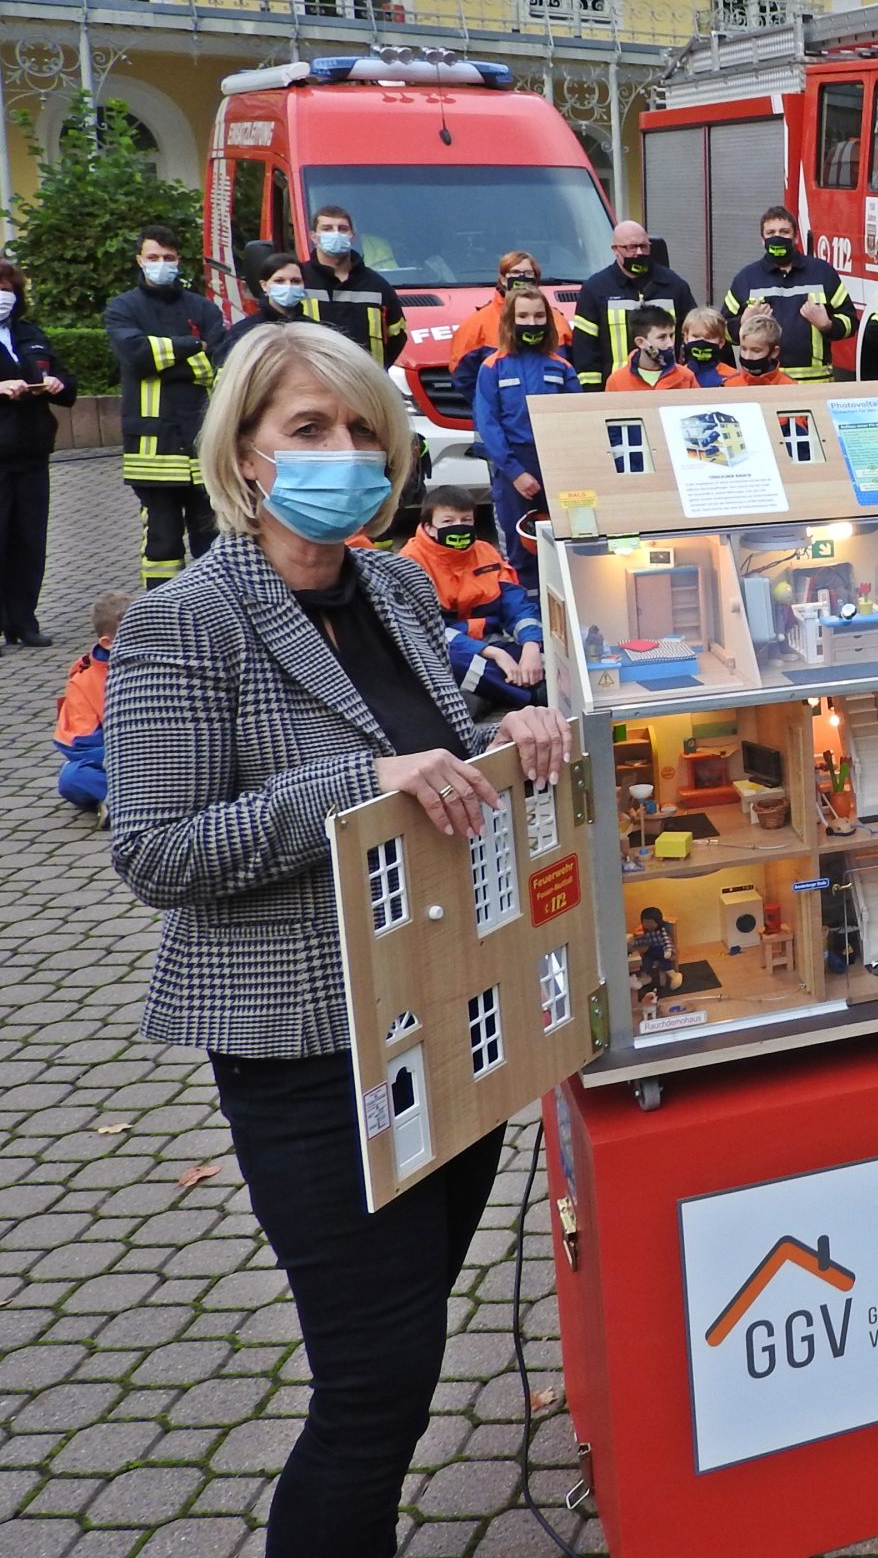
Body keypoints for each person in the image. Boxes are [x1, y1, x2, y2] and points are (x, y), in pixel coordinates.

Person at [104, 319, 570, 1558]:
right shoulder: (187, 624)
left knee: (404, 1359)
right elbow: (155, 852)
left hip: (450, 1016)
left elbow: (445, 711)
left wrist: (514, 721)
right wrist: (355, 786)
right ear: (245, 456)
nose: (345, 453)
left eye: (365, 429)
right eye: (309, 429)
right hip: (309, 1054)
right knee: (372, 1391)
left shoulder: (399, 584)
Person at [107, 224, 224, 588]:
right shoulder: (123, 307)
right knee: (162, 545)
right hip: (153, 449)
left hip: (202, 445)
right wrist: (192, 345)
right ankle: (160, 615)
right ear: (139, 260)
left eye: (169, 258)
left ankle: (216, 612)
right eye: (154, 258)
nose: (161, 264)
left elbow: (219, 364)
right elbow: (136, 356)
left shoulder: (203, 308)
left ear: (179, 261)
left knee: (215, 542)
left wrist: (163, 358)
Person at [399, 486, 548, 710]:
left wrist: (531, 646)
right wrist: (494, 654)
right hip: (449, 646)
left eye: (465, 520)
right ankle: (530, 697)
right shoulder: (409, 562)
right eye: (448, 521)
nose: (458, 527)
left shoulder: (486, 552)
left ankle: (484, 695)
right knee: (449, 662)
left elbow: (516, 605)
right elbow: (426, 630)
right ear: (429, 527)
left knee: (549, 655)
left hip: (492, 639)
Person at [471, 286, 582, 580]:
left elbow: (578, 422)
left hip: (559, 467)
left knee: (566, 542)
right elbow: (488, 424)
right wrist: (515, 472)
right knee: (520, 549)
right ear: (509, 320)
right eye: (522, 315)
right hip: (515, 469)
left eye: (538, 316)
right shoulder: (493, 367)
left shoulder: (562, 367)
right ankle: (526, 617)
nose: (531, 323)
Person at [0, 256, 75, 641]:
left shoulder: (30, 333)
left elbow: (68, 382)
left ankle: (23, 622)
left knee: (28, 541)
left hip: (32, 453)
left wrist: (56, 383)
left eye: (7, 289)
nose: (2, 296)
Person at [723, 207, 854, 383]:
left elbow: (851, 322)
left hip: (814, 384)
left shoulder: (822, 273)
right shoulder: (746, 278)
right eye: (771, 232)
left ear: (796, 237)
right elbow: (722, 331)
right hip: (763, 382)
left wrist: (827, 325)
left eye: (784, 232)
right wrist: (741, 323)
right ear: (762, 240)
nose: (777, 237)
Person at [570, 220, 696, 390]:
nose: (639, 252)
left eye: (644, 246)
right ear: (615, 249)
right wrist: (594, 394)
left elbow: (693, 336)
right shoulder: (595, 289)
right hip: (618, 388)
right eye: (631, 247)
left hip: (670, 385)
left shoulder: (674, 285)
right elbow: (585, 350)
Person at [53, 590, 128, 814]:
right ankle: (122, 803)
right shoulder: (84, 682)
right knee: (72, 777)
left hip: (165, 757)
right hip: (116, 761)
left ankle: (119, 803)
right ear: (107, 643)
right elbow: (79, 744)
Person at [304, 205, 407, 367]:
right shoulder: (299, 280)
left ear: (351, 236)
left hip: (366, 383)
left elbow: (397, 335)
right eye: (327, 229)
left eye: (342, 229)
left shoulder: (377, 285)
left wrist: (377, 371)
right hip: (314, 382)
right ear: (313, 236)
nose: (335, 234)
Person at [449, 253, 565, 396]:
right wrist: (489, 403)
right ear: (503, 279)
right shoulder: (477, 323)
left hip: (549, 413)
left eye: (528, 273)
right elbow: (462, 375)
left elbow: (571, 370)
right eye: (515, 272)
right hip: (505, 415)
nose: (521, 277)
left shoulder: (558, 321)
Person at [229, 246, 321, 345]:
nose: (288, 286)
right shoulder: (243, 332)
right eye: (279, 281)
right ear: (264, 285)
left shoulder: (317, 331)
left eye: (295, 281)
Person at [603, 306, 683, 392]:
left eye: (671, 336)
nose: (670, 344)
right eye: (662, 337)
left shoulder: (686, 377)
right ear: (640, 342)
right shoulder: (616, 381)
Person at [672, 306, 742, 388]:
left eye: (708, 337)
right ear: (686, 338)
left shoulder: (734, 377)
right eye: (696, 336)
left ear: (721, 342)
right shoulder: (676, 377)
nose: (701, 342)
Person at [727, 305, 791, 387]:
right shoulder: (729, 385)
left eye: (756, 351)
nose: (747, 357)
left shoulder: (788, 385)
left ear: (774, 352)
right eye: (743, 349)